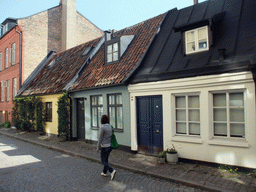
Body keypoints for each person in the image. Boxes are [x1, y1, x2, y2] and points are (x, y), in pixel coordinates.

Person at [97, 114, 116, 180]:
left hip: (104, 146)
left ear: (102, 120)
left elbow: (100, 138)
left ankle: (111, 170)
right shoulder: (111, 126)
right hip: (110, 146)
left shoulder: (102, 127)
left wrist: (98, 147)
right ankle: (104, 172)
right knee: (106, 159)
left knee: (103, 161)